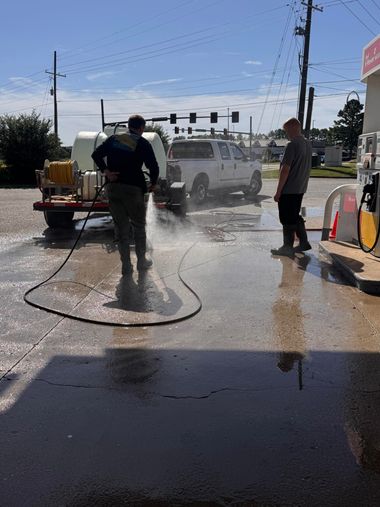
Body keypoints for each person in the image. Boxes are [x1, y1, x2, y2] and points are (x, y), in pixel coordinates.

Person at [91, 115, 159, 275]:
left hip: (113, 188)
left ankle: (126, 266)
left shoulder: (114, 138)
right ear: (141, 128)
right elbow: (153, 166)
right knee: (139, 226)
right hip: (133, 189)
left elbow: (96, 154)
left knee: (121, 228)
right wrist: (153, 183)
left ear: (129, 126)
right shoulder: (142, 143)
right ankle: (141, 262)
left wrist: (107, 171)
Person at [271, 117, 312, 256]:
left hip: (289, 189)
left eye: (286, 130)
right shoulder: (307, 143)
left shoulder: (292, 144)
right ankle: (304, 242)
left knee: (287, 218)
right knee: (294, 215)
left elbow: (285, 169)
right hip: (300, 187)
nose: (286, 134)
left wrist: (278, 192)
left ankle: (287, 247)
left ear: (293, 128)